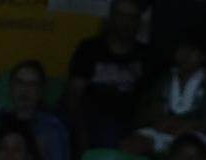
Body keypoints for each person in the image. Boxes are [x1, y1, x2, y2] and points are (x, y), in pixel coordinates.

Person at [65, 0, 153, 151]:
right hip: (92, 121)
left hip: (129, 124)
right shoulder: (90, 49)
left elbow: (150, 100)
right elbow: (74, 94)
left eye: (132, 17)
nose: (126, 22)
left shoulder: (146, 56)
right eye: (122, 15)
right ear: (112, 17)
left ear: (138, 21)